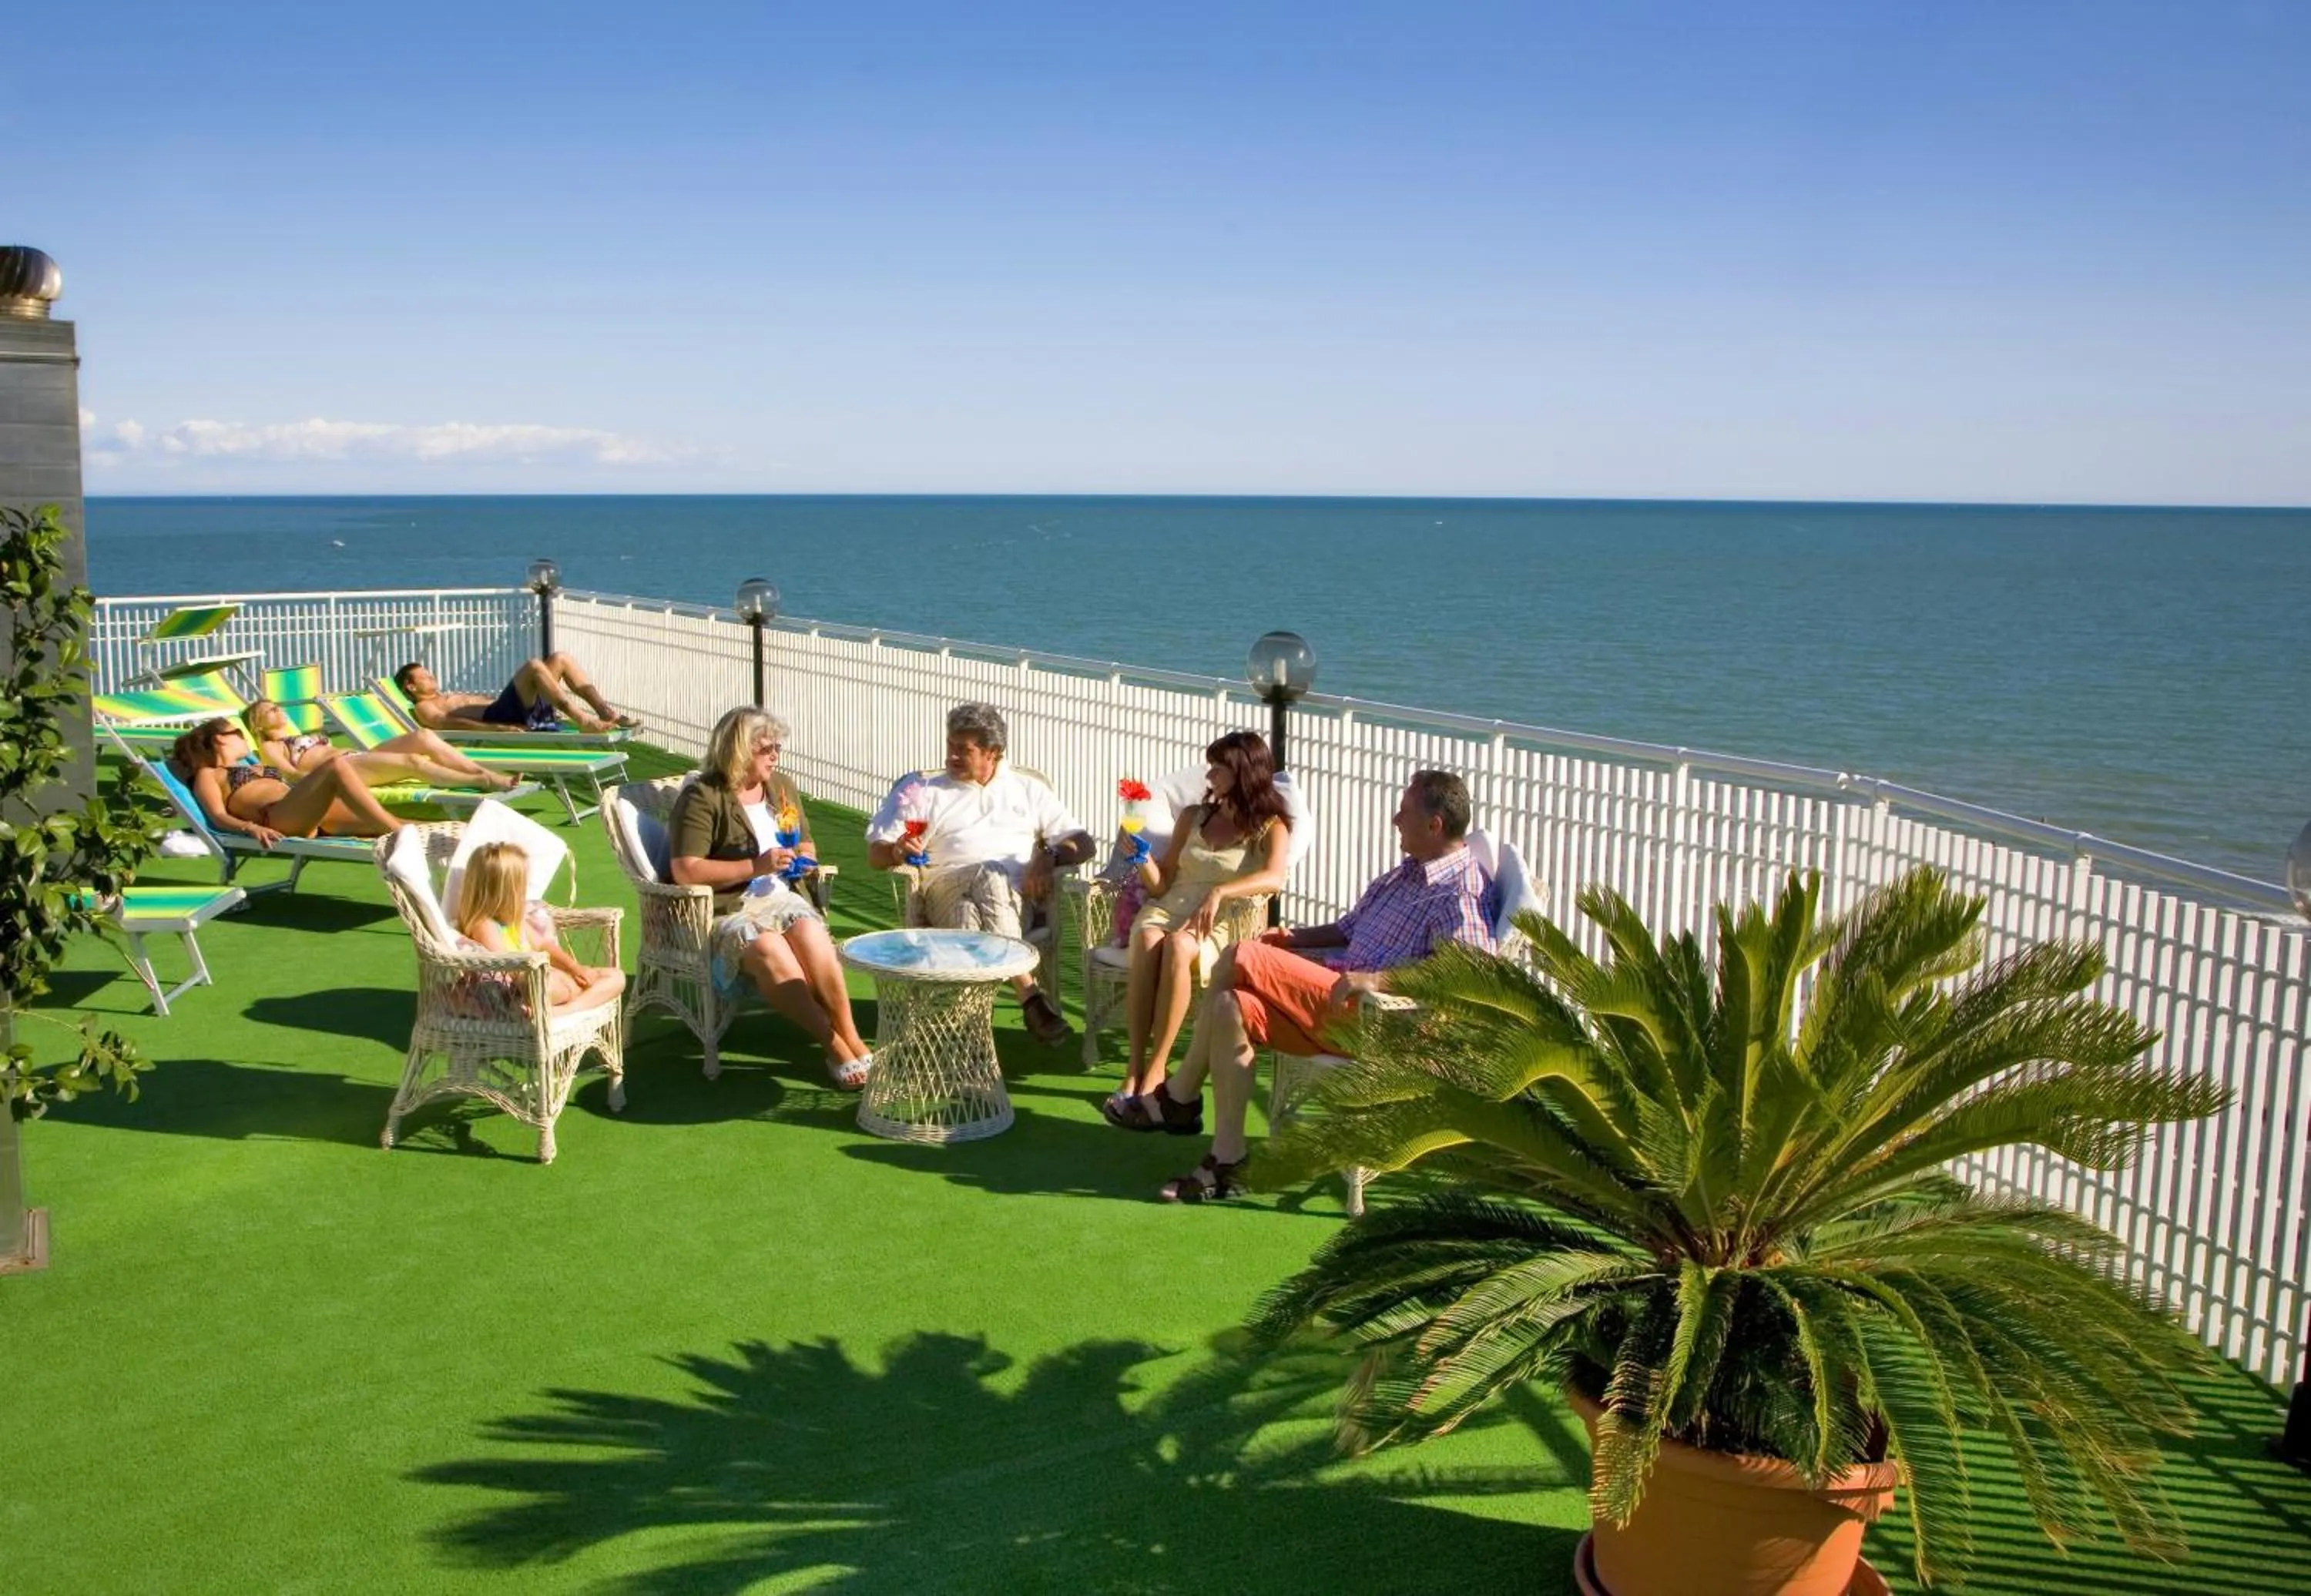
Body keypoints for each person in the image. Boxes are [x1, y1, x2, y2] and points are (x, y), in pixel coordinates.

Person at [1150, 769, 1500, 1204]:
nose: (1395, 819)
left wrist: (1378, 980)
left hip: (1376, 1020)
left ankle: (1179, 1095)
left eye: (1404, 813)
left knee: (1241, 954)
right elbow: (1347, 928)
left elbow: (1467, 973)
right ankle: (1229, 1158)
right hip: (1334, 1003)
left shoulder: (1458, 890)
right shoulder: (1406, 874)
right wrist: (1293, 938)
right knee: (1229, 1005)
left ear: (1435, 825)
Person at [864, 702, 1095, 1046]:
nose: (952, 757)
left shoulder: (1026, 789)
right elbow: (875, 855)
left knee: (968, 917)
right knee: (989, 872)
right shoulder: (923, 790)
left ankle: (969, 1042)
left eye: (964, 750)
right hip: (941, 892)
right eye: (950, 747)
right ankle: (1029, 993)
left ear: (994, 753)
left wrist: (1048, 855)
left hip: (1017, 904)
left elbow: (1084, 844)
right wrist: (898, 850)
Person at [670, 706, 874, 1090]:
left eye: (777, 747)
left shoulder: (780, 786)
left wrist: (804, 859)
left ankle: (852, 1036)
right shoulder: (704, 796)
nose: (775, 756)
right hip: (727, 907)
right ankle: (832, 1046)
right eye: (767, 749)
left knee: (812, 934)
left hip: (782, 896)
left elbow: (806, 841)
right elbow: (686, 869)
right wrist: (756, 866)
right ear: (739, 750)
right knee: (770, 950)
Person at [1102, 731, 1292, 1131]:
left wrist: (1221, 891)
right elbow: (1162, 883)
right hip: (1169, 908)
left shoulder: (1270, 827)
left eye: (1219, 768)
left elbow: (1274, 878)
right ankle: (1133, 1070)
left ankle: (1156, 1072)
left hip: (1222, 922)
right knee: (1151, 936)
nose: (1211, 775)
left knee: (1179, 946)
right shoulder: (1194, 816)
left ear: (1243, 773)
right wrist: (1140, 857)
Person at [166, 717, 406, 847]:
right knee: (335, 766)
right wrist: (251, 828)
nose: (244, 738)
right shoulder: (209, 774)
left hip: (308, 811)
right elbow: (217, 815)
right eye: (238, 734)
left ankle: (408, 833)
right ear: (220, 739)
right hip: (277, 817)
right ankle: (401, 835)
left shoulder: (252, 764)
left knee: (413, 825)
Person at [455, 840, 625, 1015]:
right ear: (505, 891)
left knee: (617, 977)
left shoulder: (515, 918)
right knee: (545, 984)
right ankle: (576, 997)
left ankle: (565, 1009)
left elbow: (543, 945)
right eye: (521, 886)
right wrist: (549, 973)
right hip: (523, 988)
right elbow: (506, 963)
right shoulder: (484, 924)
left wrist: (575, 968)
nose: (525, 891)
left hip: (548, 978)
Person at [242, 699, 522, 792]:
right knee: (415, 763)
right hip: (343, 771)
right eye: (270, 711)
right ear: (258, 726)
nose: (279, 710)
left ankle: (482, 773)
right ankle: (485, 780)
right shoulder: (269, 746)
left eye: (277, 707)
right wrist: (323, 783)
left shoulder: (295, 735)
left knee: (423, 736)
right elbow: (290, 775)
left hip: (358, 758)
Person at [394, 653, 640, 736]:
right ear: (411, 687)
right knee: (534, 665)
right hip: (499, 716)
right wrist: (496, 730)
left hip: (513, 709)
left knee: (560, 659)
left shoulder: (445, 696)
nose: (431, 676)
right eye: (424, 676)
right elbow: (445, 724)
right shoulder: (423, 707)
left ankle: (606, 711)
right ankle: (582, 719)